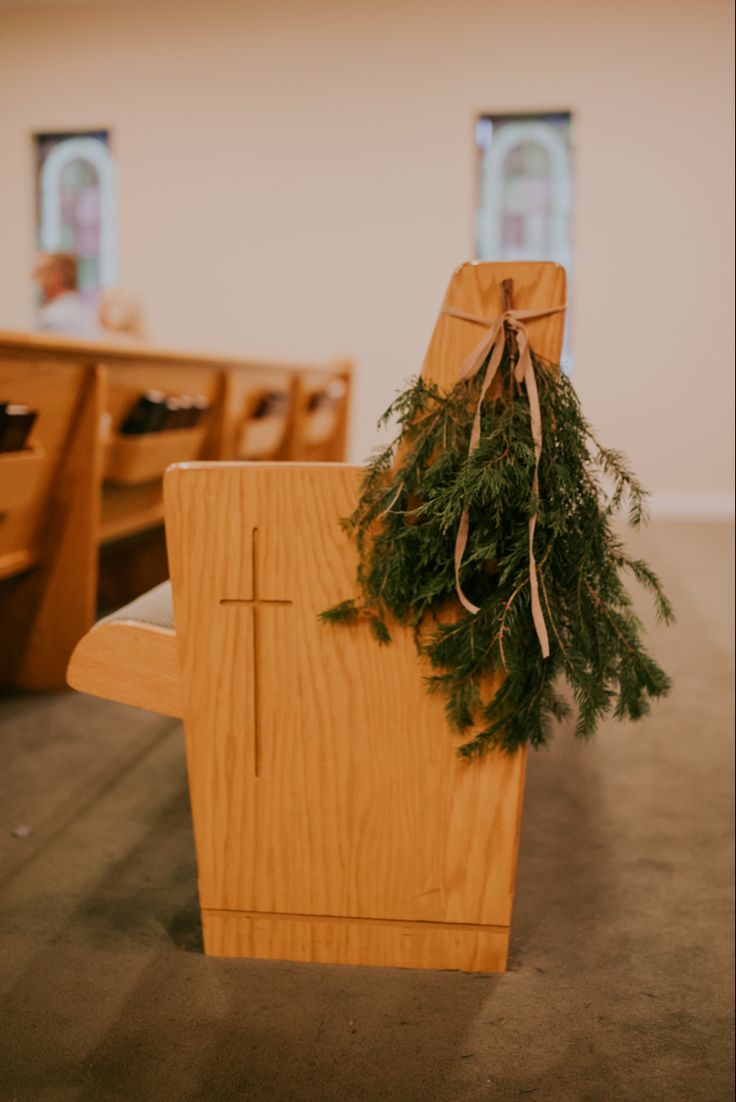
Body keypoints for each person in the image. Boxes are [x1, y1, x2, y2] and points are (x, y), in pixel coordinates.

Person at [32, 252, 100, 338]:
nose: (39, 282)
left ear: (56, 277)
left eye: (42, 274)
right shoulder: (89, 318)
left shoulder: (50, 320)